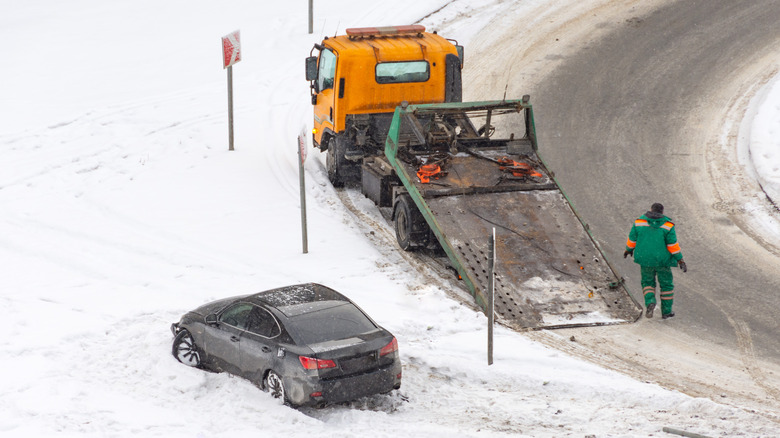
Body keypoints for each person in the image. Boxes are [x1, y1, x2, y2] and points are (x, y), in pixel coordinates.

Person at [623, 203, 687, 319]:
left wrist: (628, 250)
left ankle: (650, 302)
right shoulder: (667, 226)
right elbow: (672, 245)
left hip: (645, 260)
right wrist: (680, 260)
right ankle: (666, 312)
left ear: (651, 210)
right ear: (662, 212)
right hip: (662, 261)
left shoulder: (639, 222)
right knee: (666, 285)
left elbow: (632, 239)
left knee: (647, 283)